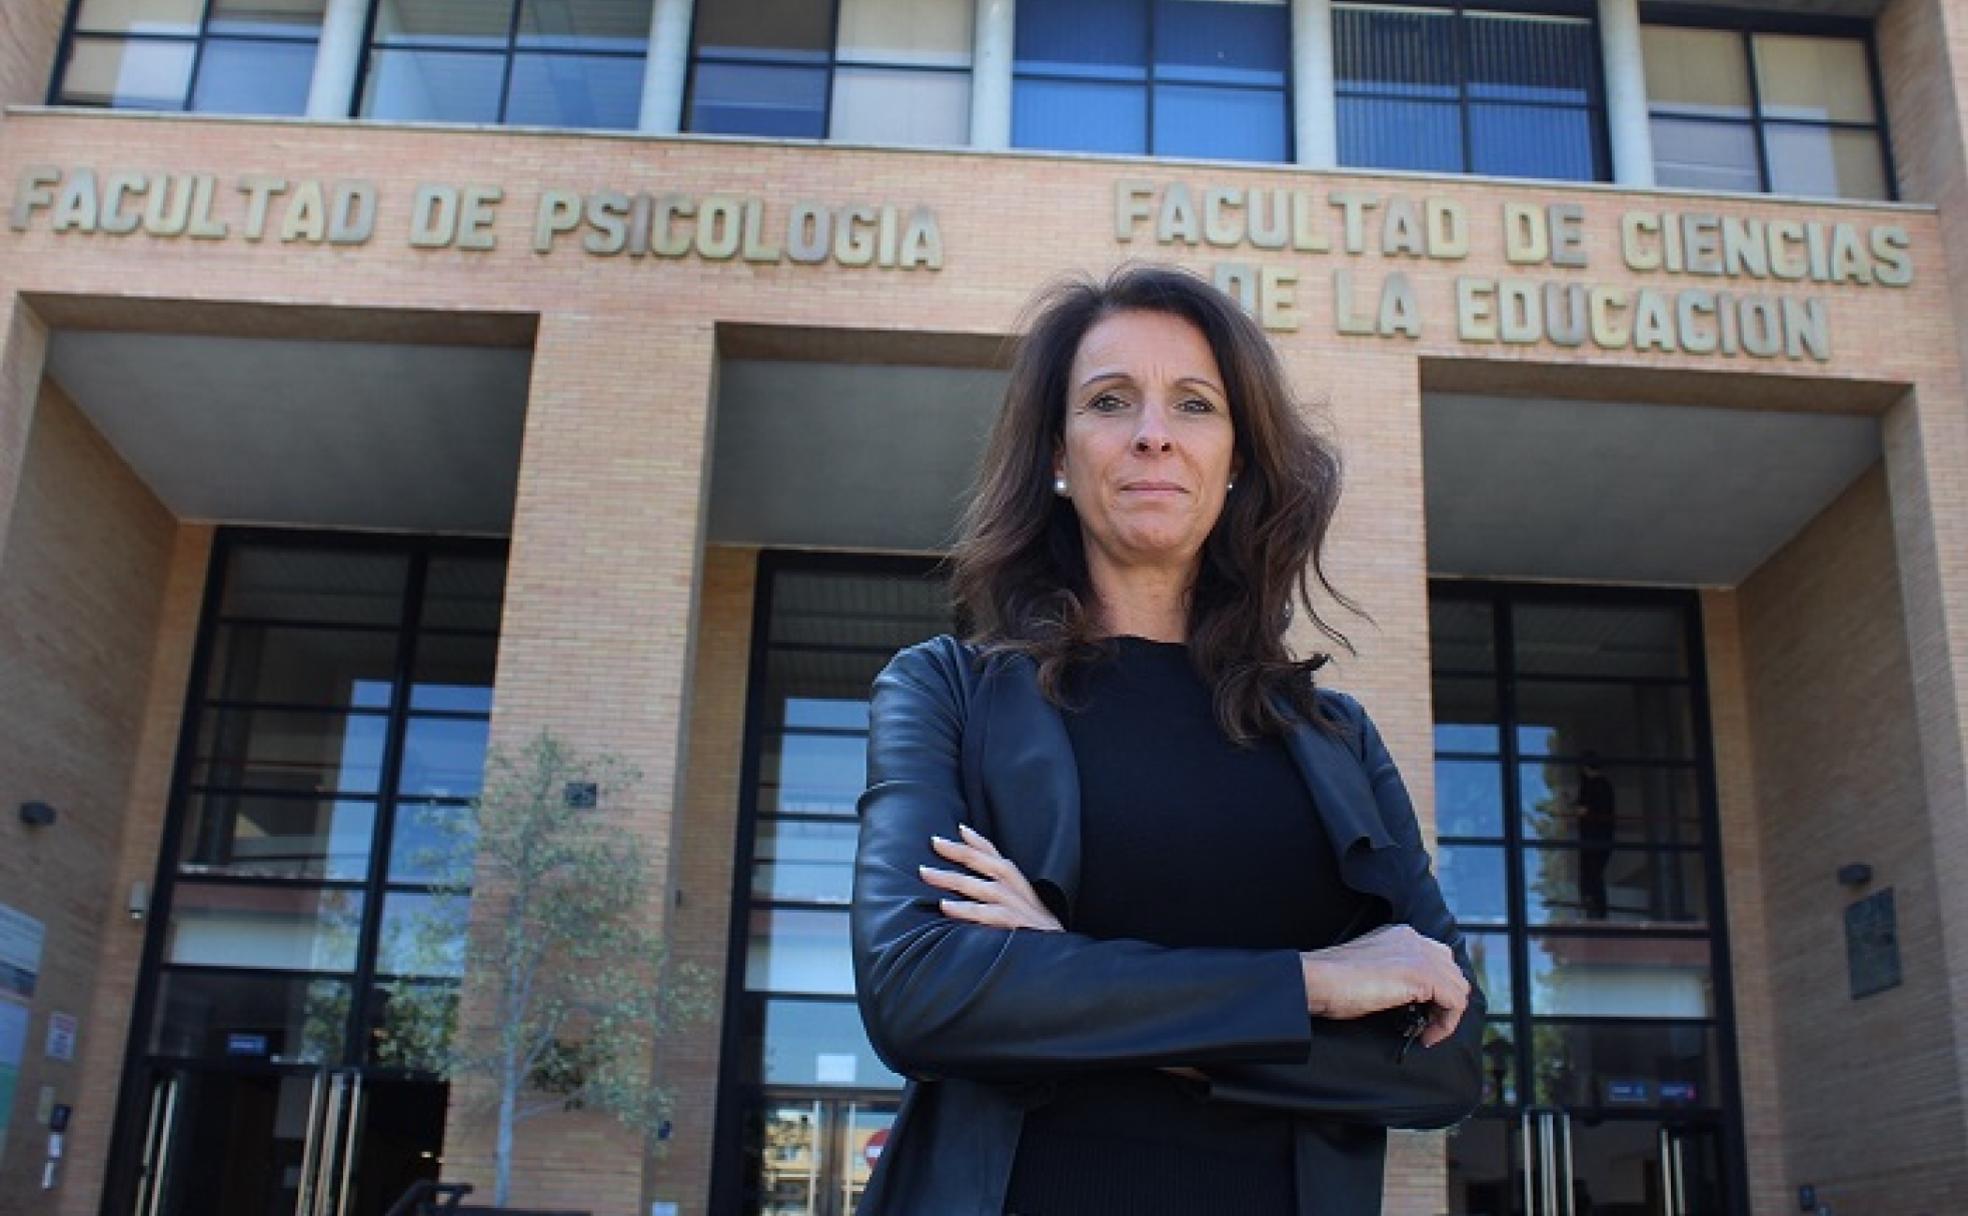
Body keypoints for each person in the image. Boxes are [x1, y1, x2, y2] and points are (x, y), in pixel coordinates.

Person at [849, 265, 1485, 1216]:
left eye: (1194, 403)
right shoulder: (944, 691)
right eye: (1110, 401)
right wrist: (1310, 985)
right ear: (1057, 455)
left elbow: (1445, 1064)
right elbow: (920, 993)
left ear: (1236, 461)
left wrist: (1061, 966)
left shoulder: (1332, 738)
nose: (1153, 432)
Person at [1573, 751, 1617, 919]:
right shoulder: (1606, 785)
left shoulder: (1591, 785)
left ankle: (1594, 910)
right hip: (1604, 837)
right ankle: (1598, 911)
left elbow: (1584, 810)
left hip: (1592, 837)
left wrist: (1577, 809)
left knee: (1590, 874)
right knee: (1595, 874)